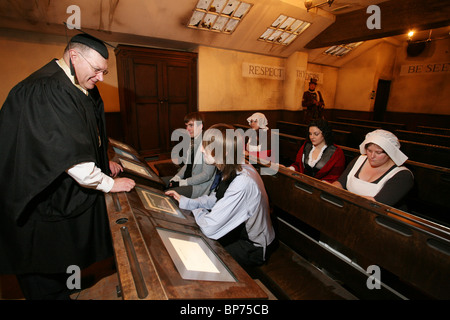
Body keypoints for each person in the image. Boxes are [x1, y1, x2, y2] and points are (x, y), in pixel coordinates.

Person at [0, 33, 135, 300]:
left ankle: (67, 286)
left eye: (104, 71)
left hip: (54, 199)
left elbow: (82, 137)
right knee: (41, 272)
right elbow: (68, 155)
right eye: (97, 69)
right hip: (35, 205)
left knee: (58, 262)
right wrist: (109, 183)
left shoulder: (71, 85)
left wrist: (101, 159)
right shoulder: (49, 89)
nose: (101, 78)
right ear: (74, 56)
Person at [166, 124, 276, 267]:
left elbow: (209, 227)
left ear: (223, 152)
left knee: (201, 259)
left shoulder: (242, 181)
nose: (201, 149)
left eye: (206, 146)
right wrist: (187, 201)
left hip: (252, 247)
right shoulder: (231, 166)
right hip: (237, 233)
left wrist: (193, 209)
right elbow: (216, 198)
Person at [332, 129, 414, 209]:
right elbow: (340, 183)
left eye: (378, 152)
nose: (372, 156)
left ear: (390, 153)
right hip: (348, 207)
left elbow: (376, 204)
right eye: (369, 150)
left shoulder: (403, 175)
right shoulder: (360, 159)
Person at [163, 112, 216, 198]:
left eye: (191, 125)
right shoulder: (192, 140)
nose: (187, 129)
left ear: (200, 126)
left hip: (198, 186)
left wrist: (183, 182)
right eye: (187, 126)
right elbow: (187, 165)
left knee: (167, 194)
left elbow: (206, 175)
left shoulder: (208, 143)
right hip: (188, 179)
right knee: (159, 182)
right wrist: (177, 177)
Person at [284, 119, 345, 183]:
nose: (312, 137)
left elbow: (335, 176)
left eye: (316, 134)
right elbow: (298, 165)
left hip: (322, 188)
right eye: (310, 134)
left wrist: (321, 184)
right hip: (302, 183)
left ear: (324, 134)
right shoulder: (306, 145)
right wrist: (289, 169)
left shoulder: (336, 152)